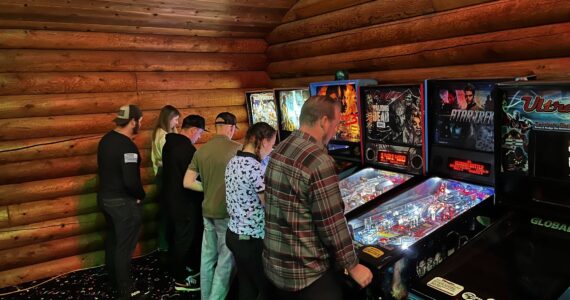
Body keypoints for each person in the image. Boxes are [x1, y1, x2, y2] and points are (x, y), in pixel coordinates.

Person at [263, 95, 373, 300]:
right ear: (324, 121)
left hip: (275, 264)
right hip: (306, 274)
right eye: (337, 124)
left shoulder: (280, 149)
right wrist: (353, 265)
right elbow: (331, 224)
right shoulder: (318, 161)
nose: (336, 131)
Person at [183, 112, 242, 300]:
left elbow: (187, 182)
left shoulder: (201, 151)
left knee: (207, 259)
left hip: (207, 211)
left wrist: (207, 188)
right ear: (231, 128)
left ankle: (206, 296)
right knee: (225, 262)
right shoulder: (238, 150)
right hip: (227, 213)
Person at [97, 105, 147, 299]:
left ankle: (114, 283)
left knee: (113, 242)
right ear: (133, 121)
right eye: (140, 122)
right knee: (124, 248)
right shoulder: (127, 146)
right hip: (122, 204)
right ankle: (127, 291)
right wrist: (140, 195)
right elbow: (130, 181)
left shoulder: (106, 140)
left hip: (105, 200)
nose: (140, 125)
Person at [225, 122, 276, 300]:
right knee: (267, 288)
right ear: (262, 142)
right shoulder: (255, 167)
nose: (270, 150)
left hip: (233, 234)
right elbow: (268, 205)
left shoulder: (233, 161)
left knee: (247, 285)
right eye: (271, 145)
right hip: (251, 239)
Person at [162, 115, 207, 292]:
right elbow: (192, 179)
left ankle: (180, 269)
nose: (200, 137)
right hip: (184, 202)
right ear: (194, 130)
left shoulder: (170, 143)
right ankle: (181, 279)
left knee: (177, 237)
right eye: (200, 133)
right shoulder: (186, 150)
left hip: (171, 200)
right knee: (184, 239)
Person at [151, 105, 181, 253]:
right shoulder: (163, 136)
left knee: (164, 211)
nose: (177, 123)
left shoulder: (159, 132)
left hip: (160, 174)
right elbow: (168, 158)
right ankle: (165, 245)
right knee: (167, 211)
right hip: (165, 175)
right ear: (168, 118)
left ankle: (163, 244)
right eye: (175, 119)